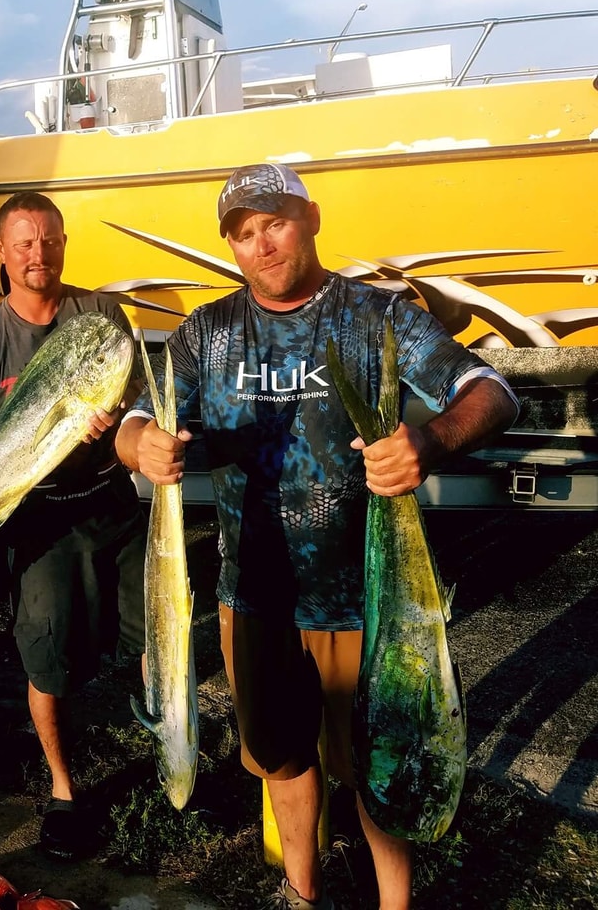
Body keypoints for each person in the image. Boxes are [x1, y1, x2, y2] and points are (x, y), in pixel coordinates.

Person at [114, 163, 519, 910]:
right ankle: (301, 891)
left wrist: (429, 443)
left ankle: (394, 903)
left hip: (368, 601)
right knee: (281, 759)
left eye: (274, 223)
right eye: (242, 234)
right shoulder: (208, 332)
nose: (261, 245)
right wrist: (140, 442)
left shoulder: (378, 316)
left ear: (311, 218)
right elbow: (139, 416)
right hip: (257, 598)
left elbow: (491, 390)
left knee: (378, 763)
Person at [0, 190, 146, 859]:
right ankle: (65, 790)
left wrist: (116, 412)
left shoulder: (99, 312)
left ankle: (171, 753)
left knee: (156, 637)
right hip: (38, 516)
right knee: (46, 660)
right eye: (24, 242)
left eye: (50, 240)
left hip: (110, 499)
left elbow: (126, 389)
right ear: (0, 250)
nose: (38, 254)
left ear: (64, 243)